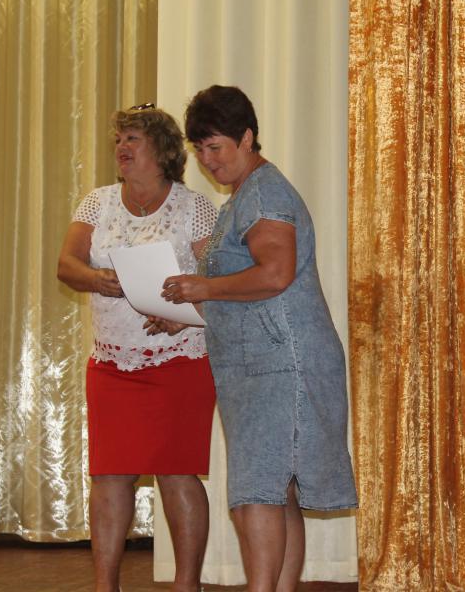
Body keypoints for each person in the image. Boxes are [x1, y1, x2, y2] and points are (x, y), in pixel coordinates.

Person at [157, 85, 358, 592]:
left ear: (247, 138)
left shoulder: (265, 193)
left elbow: (275, 274)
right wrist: (188, 313)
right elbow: (244, 289)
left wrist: (204, 287)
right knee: (274, 491)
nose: (207, 160)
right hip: (263, 366)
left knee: (257, 494)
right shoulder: (243, 198)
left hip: (281, 364)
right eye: (199, 149)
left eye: (216, 147)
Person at [57, 103, 218, 592]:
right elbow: (67, 265)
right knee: (110, 475)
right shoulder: (97, 202)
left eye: (133, 139)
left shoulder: (195, 206)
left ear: (162, 150)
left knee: (177, 473)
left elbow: (217, 279)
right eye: (119, 140)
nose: (122, 148)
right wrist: (96, 279)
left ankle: (186, 585)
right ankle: (105, 586)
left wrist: (181, 312)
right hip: (112, 361)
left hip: (180, 357)